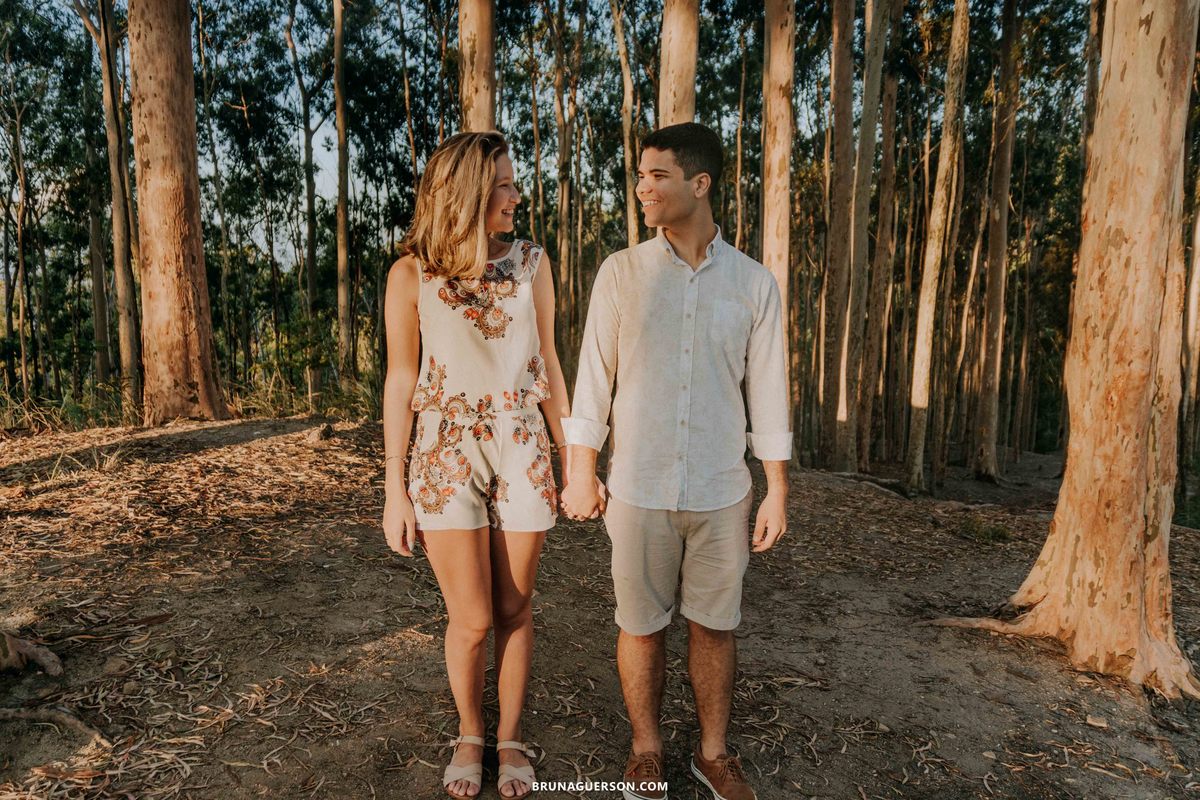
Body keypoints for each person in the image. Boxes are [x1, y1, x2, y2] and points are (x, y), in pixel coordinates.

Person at [560, 122, 791, 800]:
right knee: (640, 626)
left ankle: (713, 756)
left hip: (723, 491)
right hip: (637, 488)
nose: (642, 187)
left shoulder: (753, 284)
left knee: (715, 627)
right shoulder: (621, 274)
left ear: (700, 183)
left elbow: (770, 390)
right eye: (639, 174)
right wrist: (581, 466)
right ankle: (646, 750)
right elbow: (592, 380)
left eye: (656, 175)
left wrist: (775, 488)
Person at [381, 131, 571, 800]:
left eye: (514, 184)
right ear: (466, 192)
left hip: (523, 449)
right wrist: (394, 490)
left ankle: (510, 737)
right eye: (503, 185)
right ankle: (469, 731)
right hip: (443, 456)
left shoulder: (532, 263)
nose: (516, 195)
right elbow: (401, 380)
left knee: (516, 610)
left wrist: (575, 457)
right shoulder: (412, 274)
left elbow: (548, 365)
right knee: (473, 618)